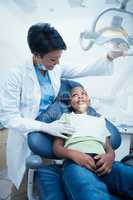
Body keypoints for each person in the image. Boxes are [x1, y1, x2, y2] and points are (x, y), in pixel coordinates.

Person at [0, 22, 126, 199]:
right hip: (26, 132)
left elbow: (82, 69)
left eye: (59, 58)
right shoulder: (16, 76)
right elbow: (9, 118)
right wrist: (46, 127)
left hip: (54, 130)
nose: (58, 63)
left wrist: (109, 57)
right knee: (21, 186)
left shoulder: (55, 67)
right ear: (36, 55)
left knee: (44, 178)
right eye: (53, 59)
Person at [53, 86, 133, 200]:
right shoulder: (66, 117)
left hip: (104, 164)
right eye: (75, 95)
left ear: (89, 101)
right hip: (76, 164)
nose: (80, 96)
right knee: (90, 192)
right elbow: (57, 148)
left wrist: (110, 157)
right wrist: (75, 155)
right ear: (70, 103)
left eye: (83, 94)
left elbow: (108, 147)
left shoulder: (100, 121)